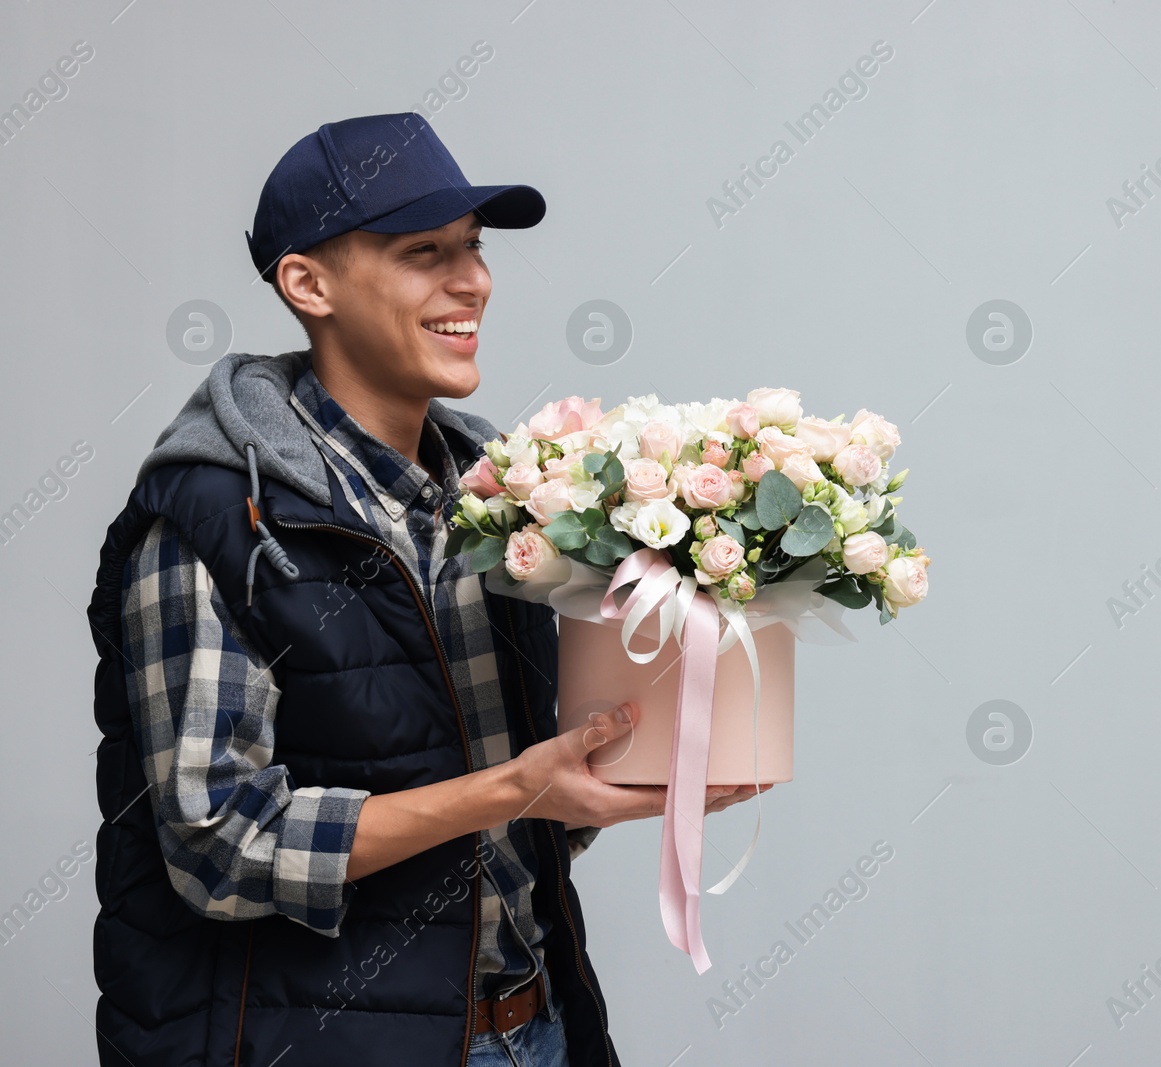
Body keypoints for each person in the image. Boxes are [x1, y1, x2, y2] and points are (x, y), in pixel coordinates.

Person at [86, 112, 760, 1067]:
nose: (472, 280)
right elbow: (218, 843)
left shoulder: (506, 496)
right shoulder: (216, 517)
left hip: (538, 1027)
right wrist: (518, 788)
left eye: (474, 250)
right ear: (306, 283)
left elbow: (510, 821)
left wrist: (611, 772)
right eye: (422, 252)